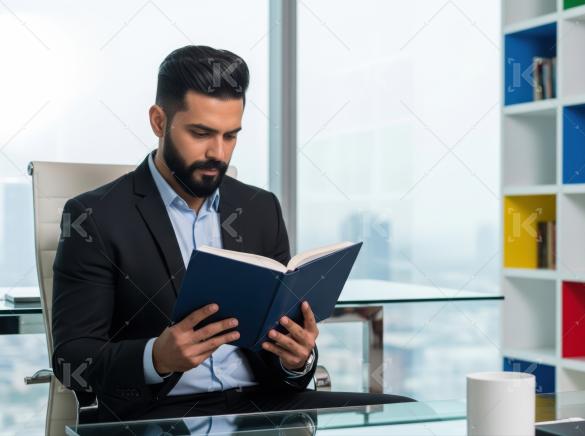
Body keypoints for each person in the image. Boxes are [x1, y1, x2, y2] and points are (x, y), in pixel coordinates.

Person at [51, 45, 414, 422]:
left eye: (231, 135)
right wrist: (155, 358)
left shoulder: (260, 209)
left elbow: (274, 342)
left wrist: (296, 359)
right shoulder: (94, 217)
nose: (218, 153)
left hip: (261, 407)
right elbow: (70, 358)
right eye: (201, 133)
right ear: (159, 121)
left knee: (403, 415)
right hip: (157, 414)